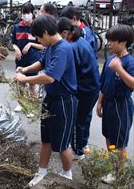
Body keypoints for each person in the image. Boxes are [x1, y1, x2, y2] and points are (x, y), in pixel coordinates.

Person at [15, 15, 77, 186]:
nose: (38, 41)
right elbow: (42, 64)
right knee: (46, 139)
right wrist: (26, 69)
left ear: (46, 33)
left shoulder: (63, 49)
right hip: (50, 99)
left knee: (63, 143)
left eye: (38, 37)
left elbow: (49, 77)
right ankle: (41, 171)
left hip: (64, 101)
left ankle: (67, 174)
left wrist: (24, 79)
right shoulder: (50, 46)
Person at [57, 17, 100, 160]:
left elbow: (70, 71)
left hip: (85, 89)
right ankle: (82, 145)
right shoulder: (80, 41)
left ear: (64, 33)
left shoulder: (73, 47)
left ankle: (77, 150)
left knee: (77, 121)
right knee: (84, 118)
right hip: (91, 88)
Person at [96, 24, 134, 184]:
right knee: (109, 136)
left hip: (121, 105)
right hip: (109, 103)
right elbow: (104, 83)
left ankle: (120, 174)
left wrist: (120, 69)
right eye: (108, 40)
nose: (109, 44)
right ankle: (113, 168)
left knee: (119, 142)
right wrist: (100, 101)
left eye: (112, 41)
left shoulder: (129, 62)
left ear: (124, 42)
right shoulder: (110, 59)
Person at [11, 2, 44, 112]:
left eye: (28, 13)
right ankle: (22, 103)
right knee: (20, 82)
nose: (25, 15)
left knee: (32, 83)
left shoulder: (37, 27)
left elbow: (43, 46)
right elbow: (13, 42)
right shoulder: (17, 27)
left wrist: (30, 44)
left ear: (32, 13)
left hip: (33, 60)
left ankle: (32, 106)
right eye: (23, 13)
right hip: (20, 60)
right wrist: (16, 49)